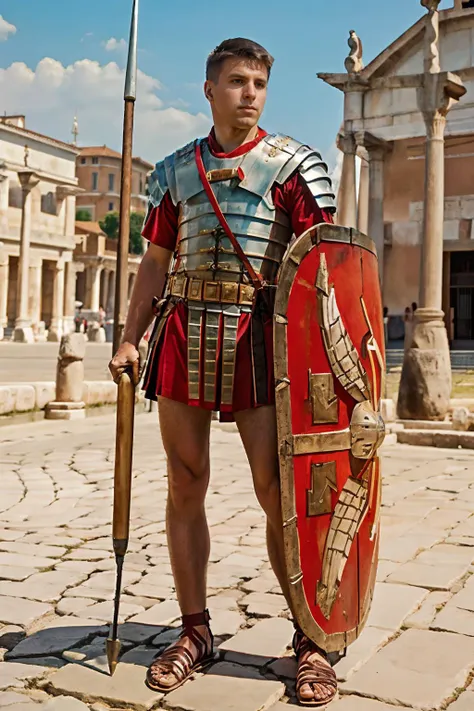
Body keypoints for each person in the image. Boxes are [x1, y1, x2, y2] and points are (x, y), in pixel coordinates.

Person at [109, 38, 337, 707]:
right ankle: (194, 628)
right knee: (185, 483)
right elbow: (156, 261)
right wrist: (129, 338)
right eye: (238, 81)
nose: (251, 93)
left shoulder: (294, 165)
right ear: (209, 90)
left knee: (277, 492)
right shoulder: (178, 170)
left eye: (260, 82)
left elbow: (323, 266)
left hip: (259, 340)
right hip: (185, 329)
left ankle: (310, 635)